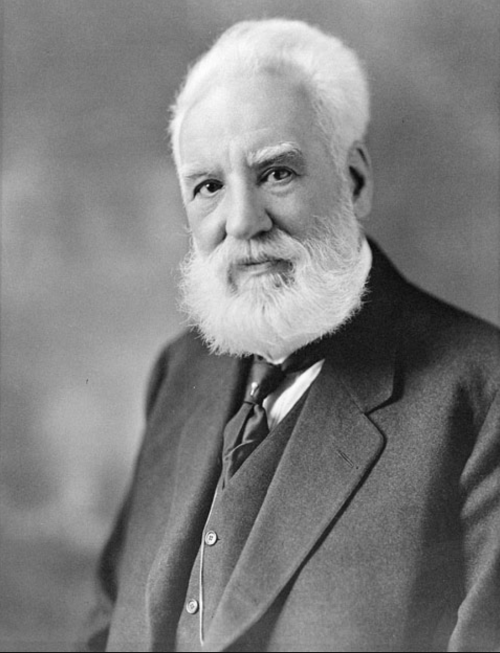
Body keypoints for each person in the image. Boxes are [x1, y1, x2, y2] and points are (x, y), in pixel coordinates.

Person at [81, 19, 500, 652]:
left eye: (276, 173)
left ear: (354, 180)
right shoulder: (180, 370)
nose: (242, 222)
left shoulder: (479, 389)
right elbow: (108, 621)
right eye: (209, 187)